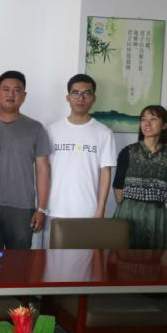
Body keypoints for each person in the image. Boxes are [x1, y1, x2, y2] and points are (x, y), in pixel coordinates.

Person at [0, 70, 51, 249]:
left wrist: (41, 209)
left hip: (22, 208)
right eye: (6, 89)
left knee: (19, 261)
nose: (11, 94)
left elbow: (43, 170)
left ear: (24, 96)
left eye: (17, 90)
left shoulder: (35, 128)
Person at [47, 74, 116, 228]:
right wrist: (42, 207)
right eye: (76, 93)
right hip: (55, 209)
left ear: (94, 98)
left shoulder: (104, 133)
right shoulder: (52, 130)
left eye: (86, 93)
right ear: (68, 97)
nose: (81, 98)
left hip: (89, 212)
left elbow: (105, 173)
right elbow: (45, 171)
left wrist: (100, 210)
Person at [113, 105, 167, 249]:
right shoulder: (128, 152)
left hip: (157, 217)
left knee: (155, 259)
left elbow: (165, 186)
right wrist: (129, 208)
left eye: (153, 119)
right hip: (129, 214)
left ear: (164, 125)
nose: (147, 123)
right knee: (124, 258)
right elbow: (118, 186)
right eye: (143, 119)